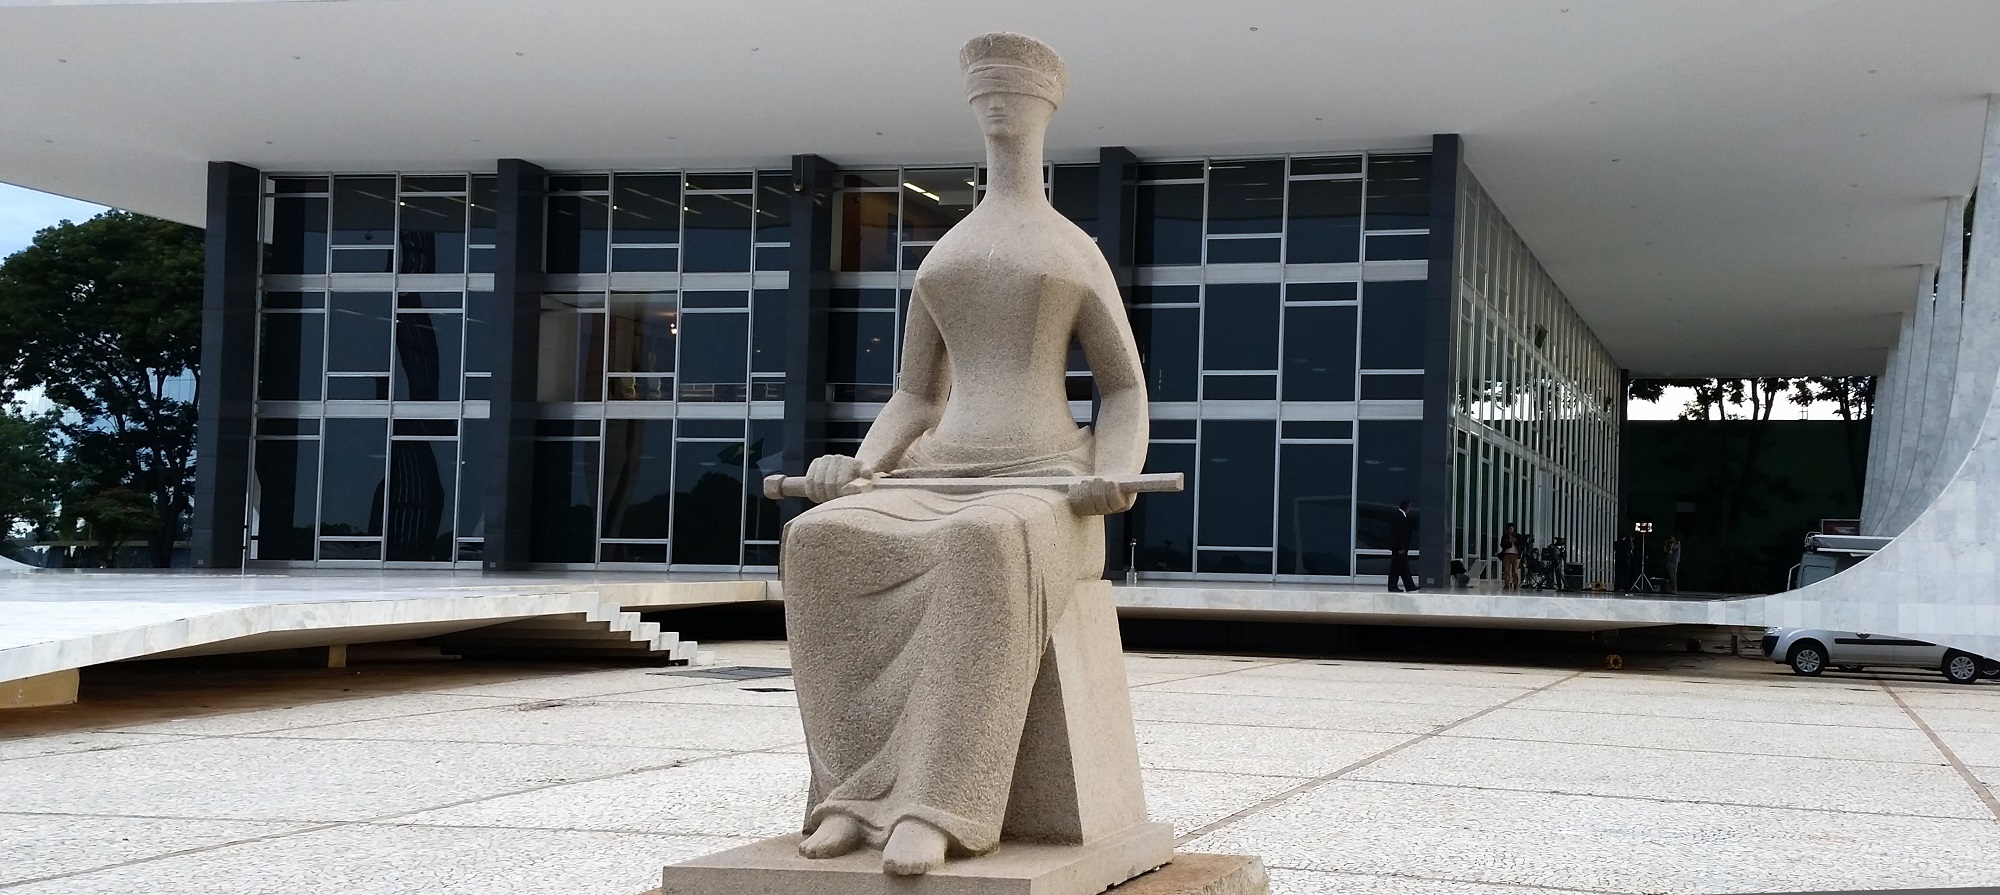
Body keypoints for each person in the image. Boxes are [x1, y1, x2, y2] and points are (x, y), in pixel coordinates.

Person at [781, 33, 1149, 877]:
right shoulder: (945, 254)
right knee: (818, 540)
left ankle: (938, 803)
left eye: (1012, 94)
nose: (998, 107)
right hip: (938, 470)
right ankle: (851, 795)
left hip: (1048, 479)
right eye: (985, 95)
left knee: (985, 541)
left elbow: (1124, 389)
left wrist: (1115, 473)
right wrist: (860, 467)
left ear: (1044, 109)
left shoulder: (1074, 250)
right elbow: (914, 396)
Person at [1388, 499, 1418, 593]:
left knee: (1404, 567)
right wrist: (1400, 547)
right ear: (1407, 507)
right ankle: (1392, 586)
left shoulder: (1401, 516)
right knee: (1396, 567)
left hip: (1402, 547)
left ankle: (1409, 585)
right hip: (1399, 548)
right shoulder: (1399, 516)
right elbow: (1398, 533)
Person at [1498, 522, 1523, 589]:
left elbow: (1521, 545)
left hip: (1516, 554)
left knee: (1515, 571)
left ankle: (1515, 584)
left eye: (1511, 529)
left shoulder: (1518, 536)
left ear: (1513, 529)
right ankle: (1507, 584)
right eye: (1509, 529)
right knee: (1506, 570)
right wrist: (1508, 543)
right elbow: (1502, 544)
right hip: (1507, 554)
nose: (1510, 530)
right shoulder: (1505, 536)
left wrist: (1516, 542)